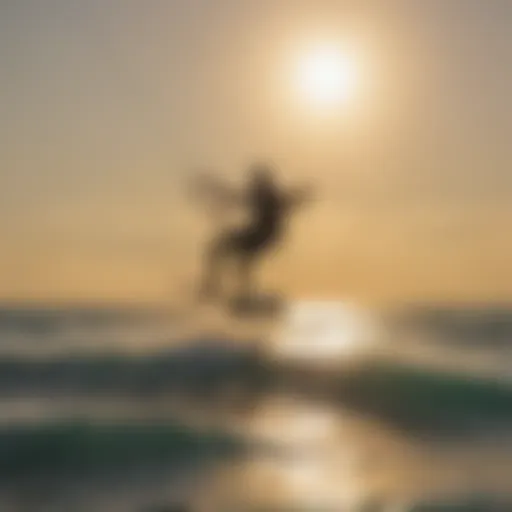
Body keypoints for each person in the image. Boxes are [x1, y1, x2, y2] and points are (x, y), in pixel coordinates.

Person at [198, 163, 312, 302]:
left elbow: (289, 198)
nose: (253, 186)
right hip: (257, 233)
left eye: (256, 183)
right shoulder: (258, 194)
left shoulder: (271, 196)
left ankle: (238, 292)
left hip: (265, 235)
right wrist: (216, 190)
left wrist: (301, 196)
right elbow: (236, 197)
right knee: (221, 248)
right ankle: (218, 287)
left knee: (238, 257)